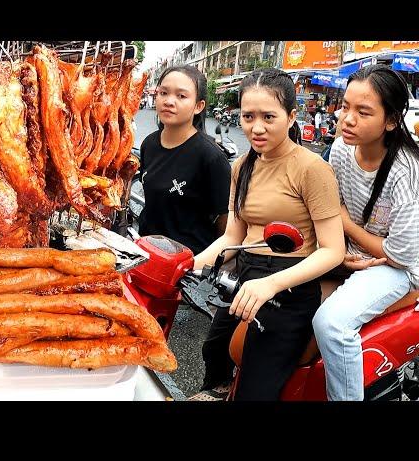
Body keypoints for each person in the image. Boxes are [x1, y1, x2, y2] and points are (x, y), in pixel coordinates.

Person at [190, 67, 345, 401]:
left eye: (268, 117)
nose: (255, 128)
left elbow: (333, 250)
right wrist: (189, 263)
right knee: (214, 350)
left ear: (291, 117)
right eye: (248, 116)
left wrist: (273, 283)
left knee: (256, 388)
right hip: (246, 274)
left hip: (289, 284)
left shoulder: (312, 168)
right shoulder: (242, 165)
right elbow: (234, 234)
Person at [312, 65, 419, 401]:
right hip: (351, 252)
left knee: (331, 325)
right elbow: (328, 206)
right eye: (345, 106)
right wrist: (338, 245)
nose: (347, 119)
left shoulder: (407, 171)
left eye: (363, 111)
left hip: (400, 269)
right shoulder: (342, 149)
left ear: (390, 120)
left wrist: (344, 224)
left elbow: (400, 255)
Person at [137, 65, 231, 256]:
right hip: (146, 253)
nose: (169, 101)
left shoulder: (211, 156)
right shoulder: (149, 144)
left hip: (188, 264)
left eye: (181, 96)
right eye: (163, 93)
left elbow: (225, 220)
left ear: (198, 106)